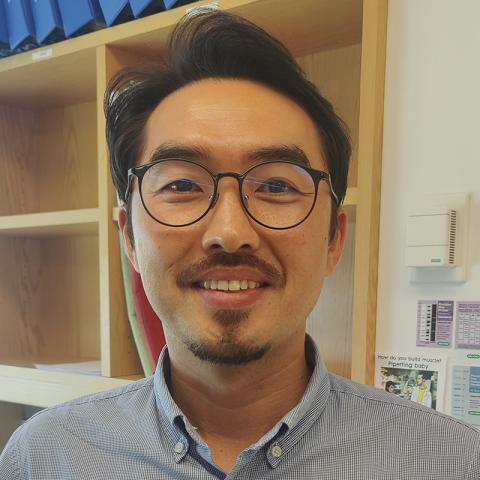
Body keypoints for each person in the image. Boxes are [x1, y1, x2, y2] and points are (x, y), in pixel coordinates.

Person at [1, 10, 479, 480]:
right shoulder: (42, 457)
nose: (229, 232)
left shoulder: (452, 462)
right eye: (183, 185)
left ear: (334, 238)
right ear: (129, 236)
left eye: (275, 187)